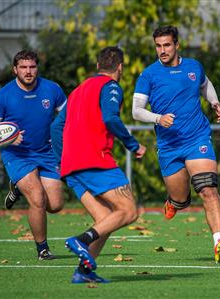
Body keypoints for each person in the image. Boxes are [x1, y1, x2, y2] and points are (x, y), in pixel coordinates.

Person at [132, 25, 220, 263]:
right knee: (181, 199)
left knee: (208, 189)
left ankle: (219, 242)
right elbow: (136, 111)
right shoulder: (148, 74)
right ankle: (174, 202)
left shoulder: (194, 67)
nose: (162, 50)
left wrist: (214, 103)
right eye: (158, 46)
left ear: (177, 45)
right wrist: (158, 118)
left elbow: (205, 85)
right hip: (169, 146)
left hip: (197, 138)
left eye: (167, 45)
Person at [50, 46, 146, 283]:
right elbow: (111, 118)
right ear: (120, 67)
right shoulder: (111, 86)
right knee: (129, 211)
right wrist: (134, 145)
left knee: (106, 218)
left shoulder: (77, 91)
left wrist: (64, 163)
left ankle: (83, 272)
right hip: (94, 160)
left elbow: (55, 128)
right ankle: (81, 240)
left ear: (97, 67)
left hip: (71, 165)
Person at [0, 50, 67, 259]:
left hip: (47, 152)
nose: (28, 72)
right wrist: (9, 139)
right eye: (23, 67)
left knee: (55, 205)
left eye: (32, 67)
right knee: (37, 198)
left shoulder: (52, 89)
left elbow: (68, 118)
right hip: (17, 154)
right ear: (15, 70)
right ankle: (43, 250)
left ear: (37, 68)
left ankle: (16, 188)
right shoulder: (4, 95)